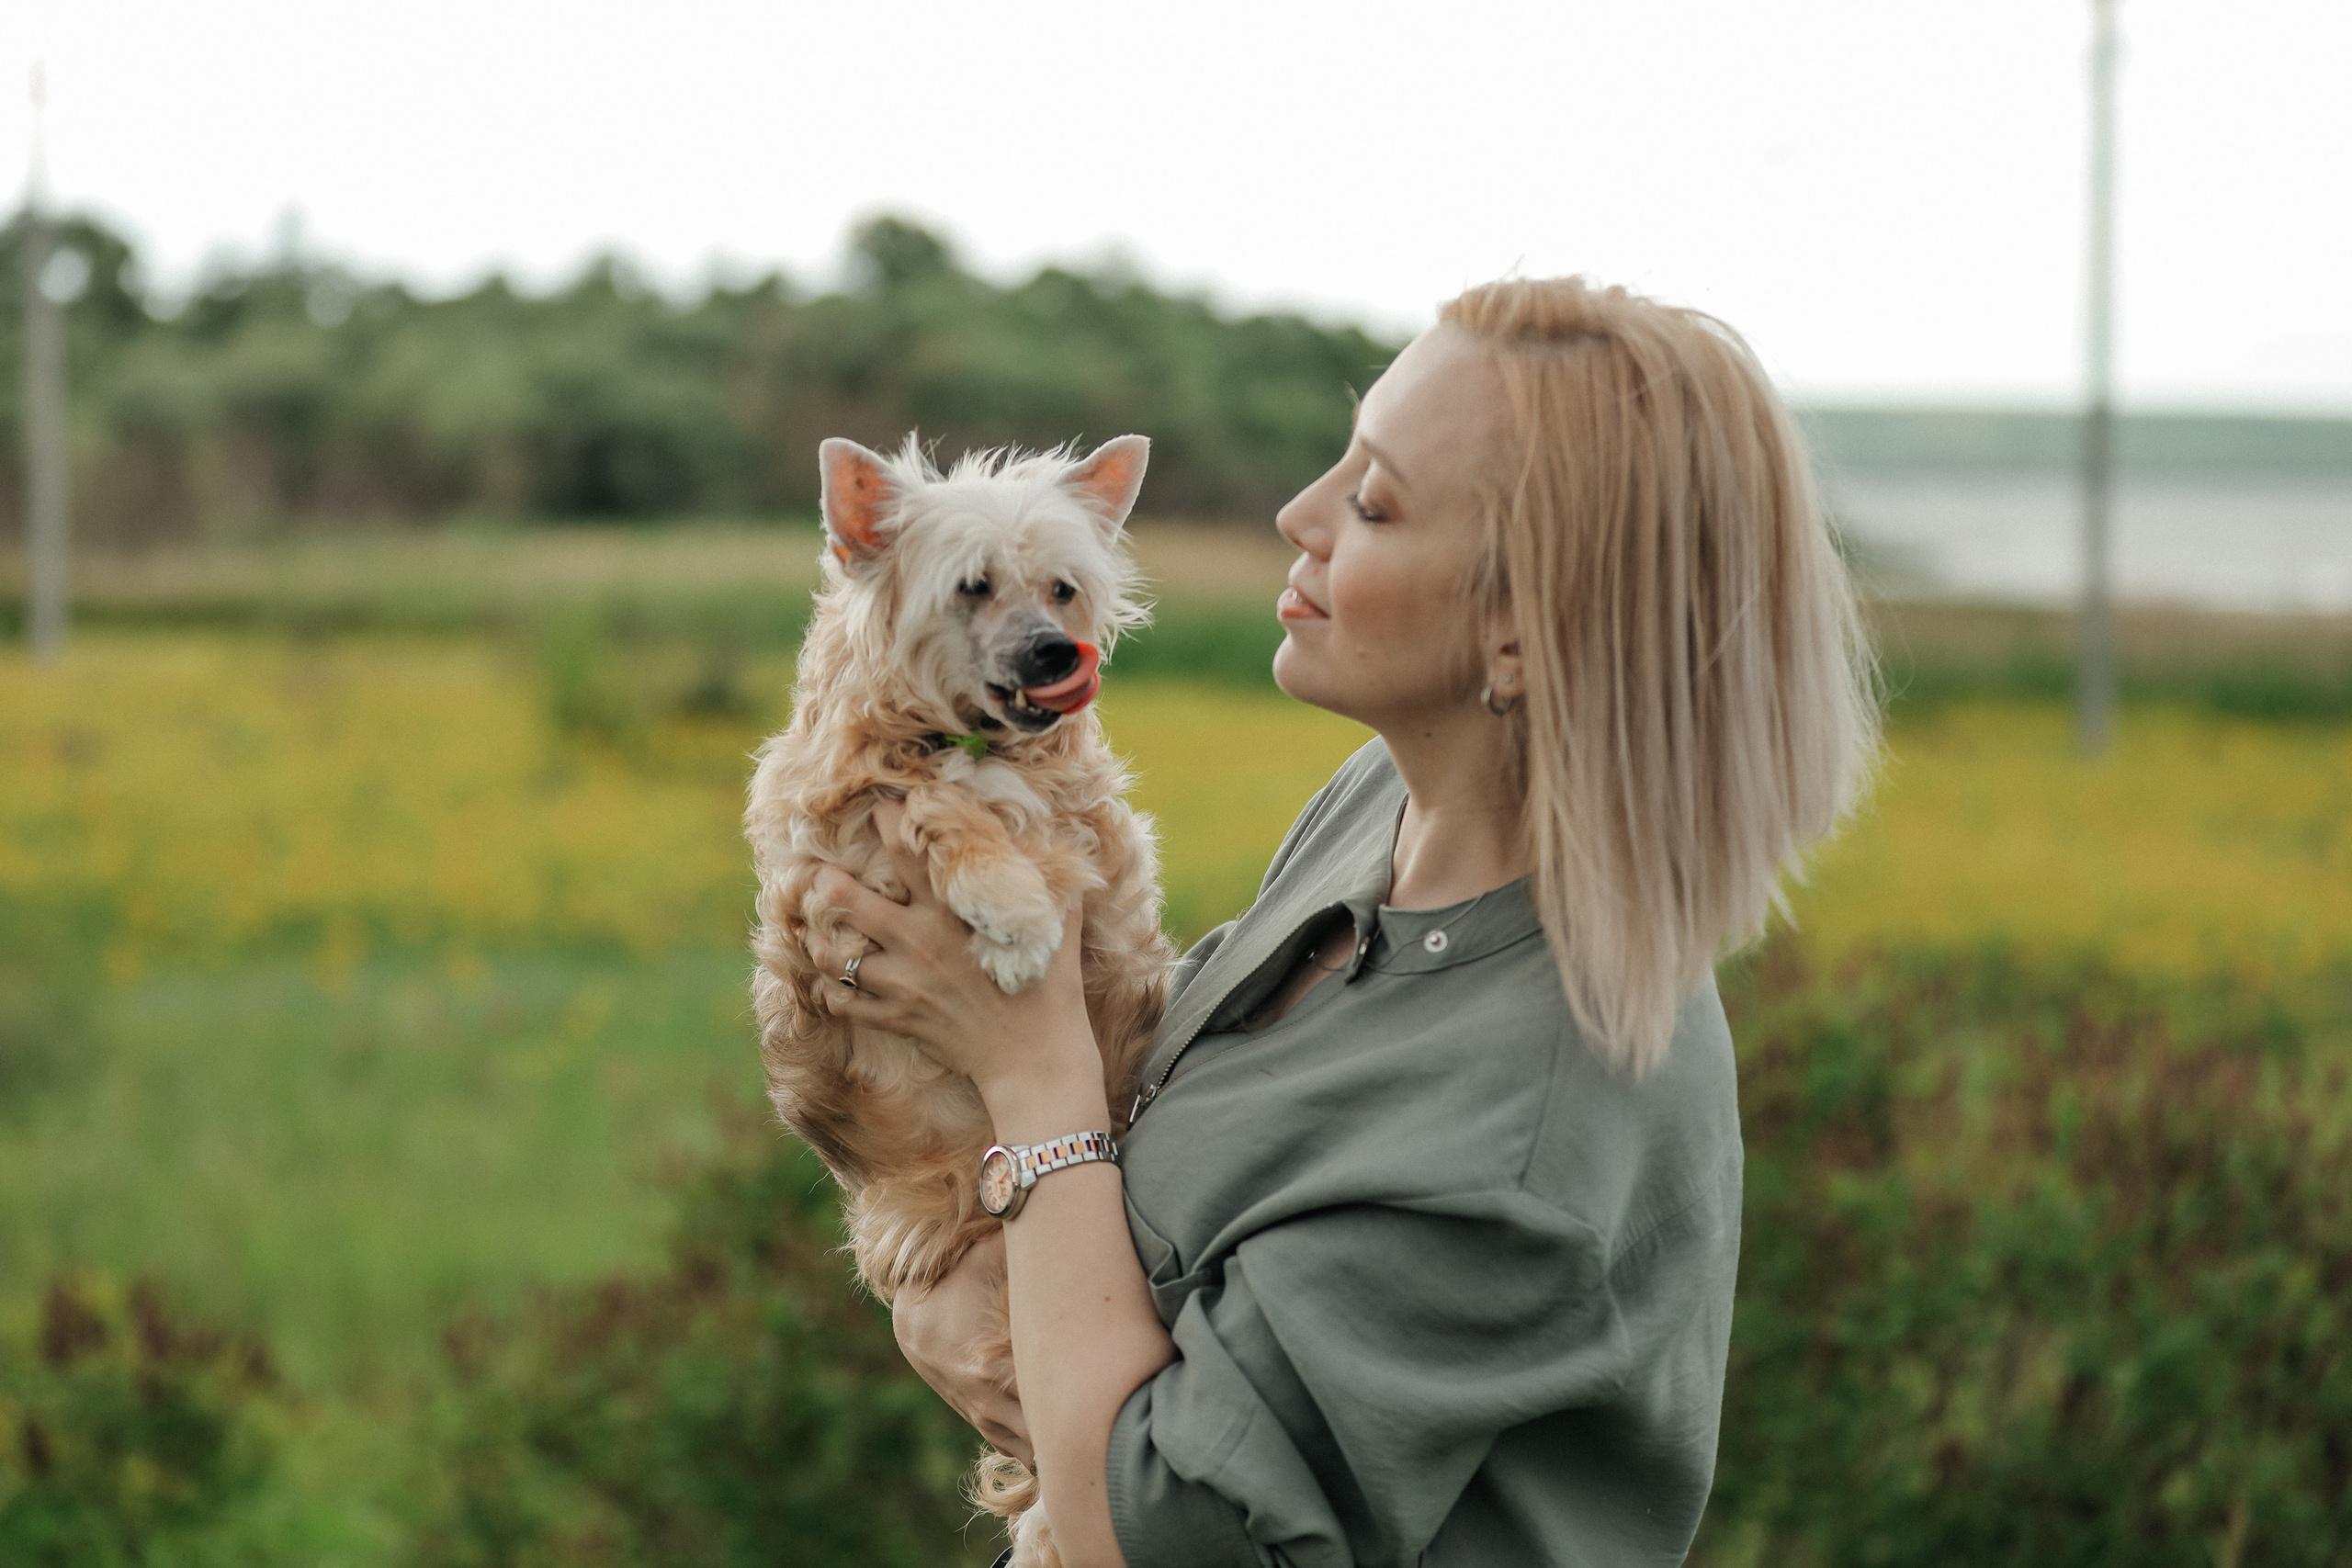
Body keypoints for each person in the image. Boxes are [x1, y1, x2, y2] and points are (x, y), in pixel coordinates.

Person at [814, 276, 1878, 1568]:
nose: (1297, 515)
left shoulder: (1519, 1131)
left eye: (1373, 500)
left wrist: (1027, 1073)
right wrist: (950, 1274)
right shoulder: (1388, 815)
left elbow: (1129, 1539)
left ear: (1521, 634)